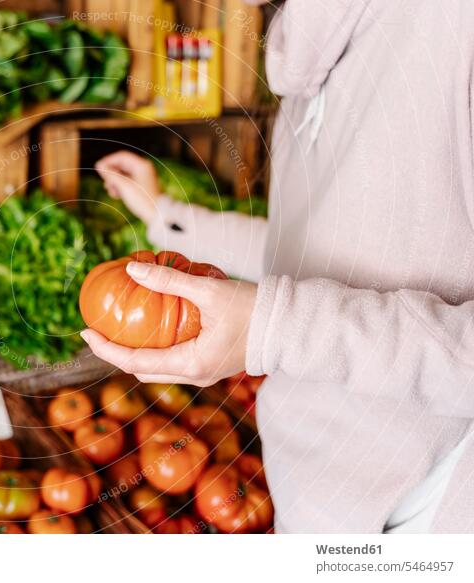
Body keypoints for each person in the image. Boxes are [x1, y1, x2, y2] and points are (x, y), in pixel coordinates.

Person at [81, 0, 474, 533]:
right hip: (306, 499)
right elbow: (314, 255)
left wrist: (275, 326)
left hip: (411, 525)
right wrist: (167, 217)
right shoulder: (304, 40)